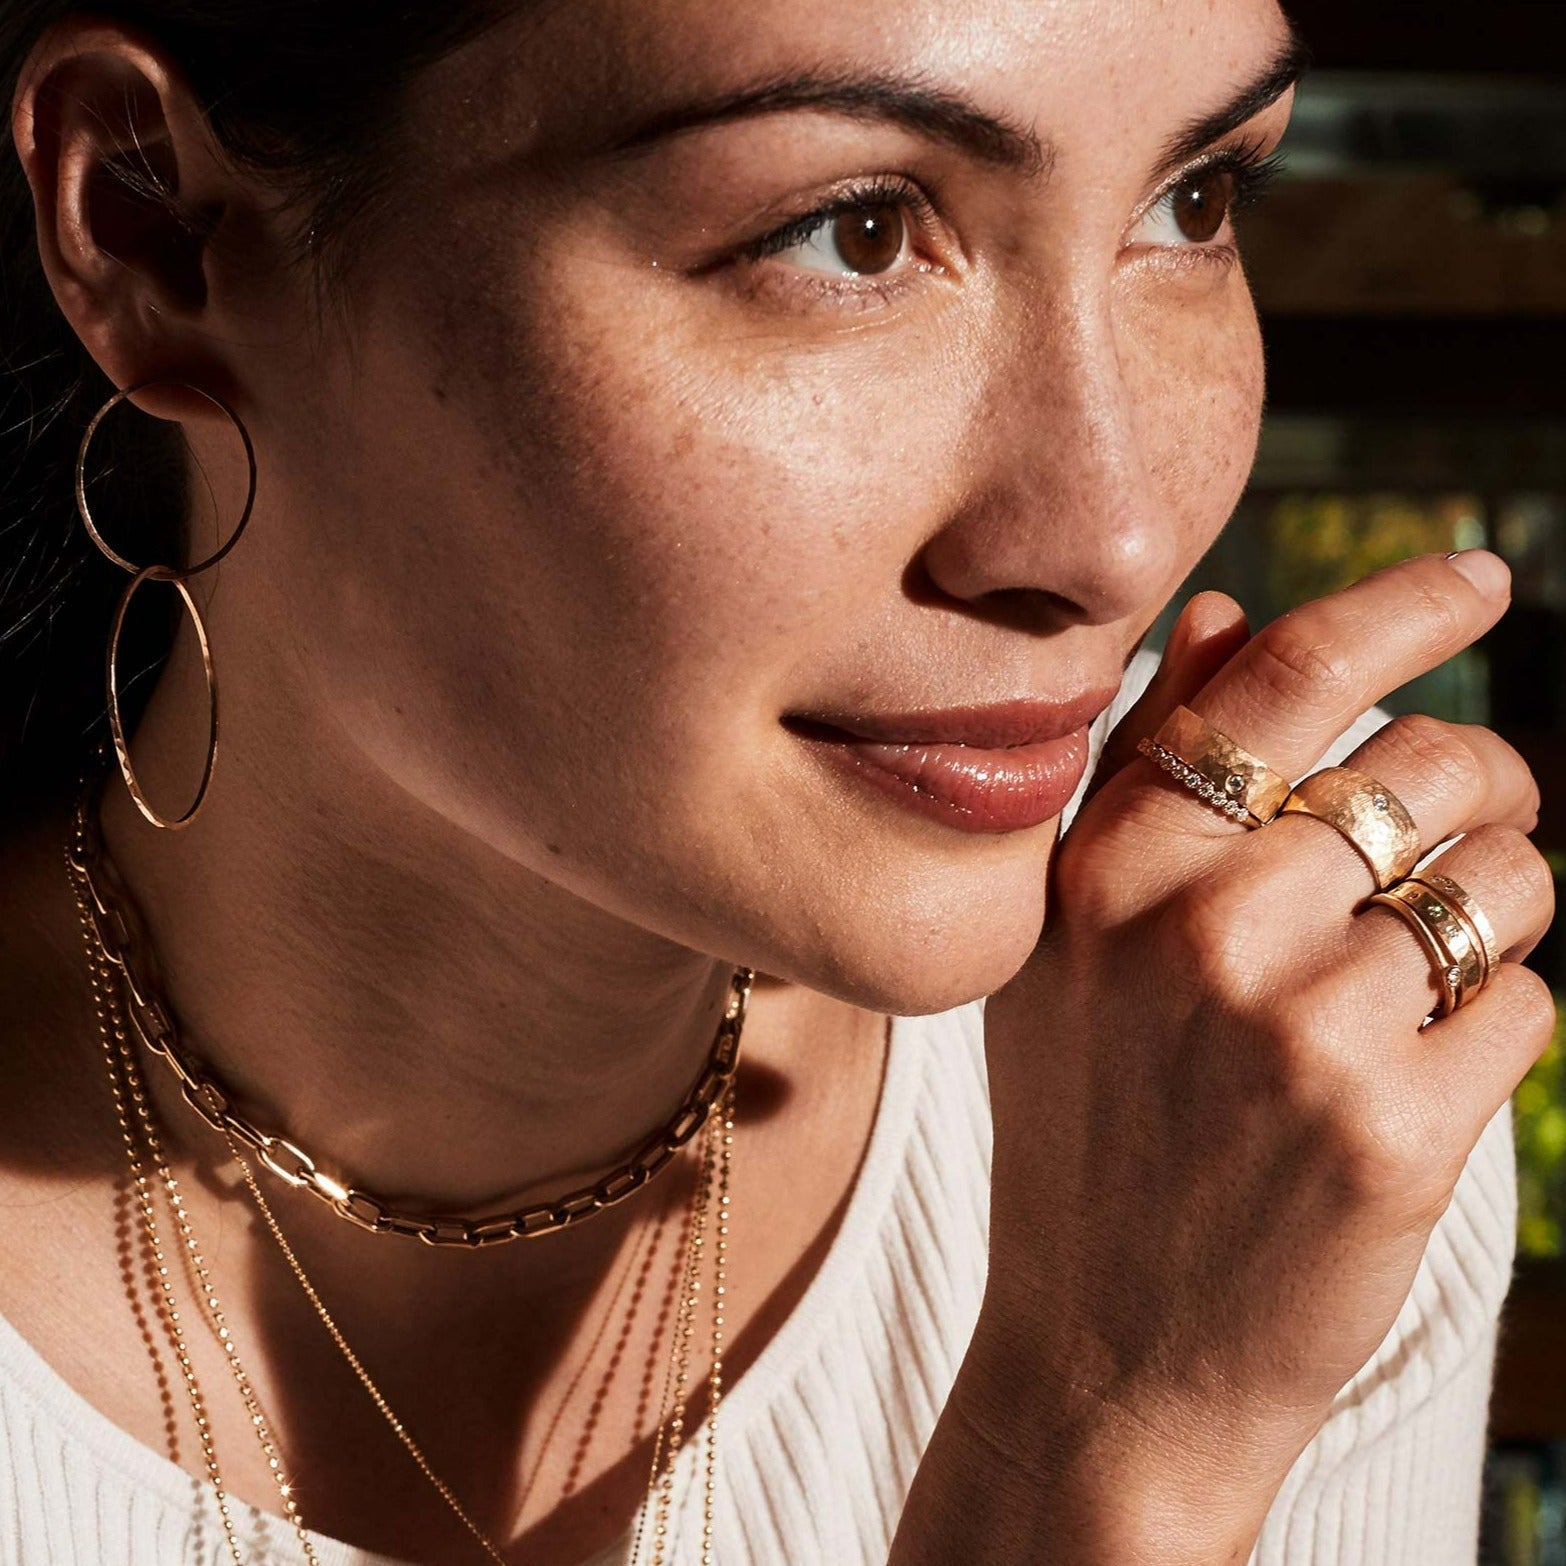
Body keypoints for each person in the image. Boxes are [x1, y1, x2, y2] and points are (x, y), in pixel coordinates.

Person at [0, 0, 1555, 1562]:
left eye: (1194, 199)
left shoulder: (1257, 1039)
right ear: (156, 233)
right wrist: (1099, 1448)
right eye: (853, 232)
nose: (1112, 539)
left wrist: (1168, 1408)